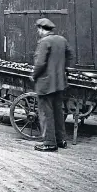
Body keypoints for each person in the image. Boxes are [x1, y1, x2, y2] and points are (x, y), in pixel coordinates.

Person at [31, 18, 73, 152]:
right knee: (58, 112)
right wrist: (61, 69)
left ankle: (49, 142)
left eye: (38, 29)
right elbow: (70, 56)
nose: (38, 32)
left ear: (42, 29)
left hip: (46, 83)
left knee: (46, 113)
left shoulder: (44, 42)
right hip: (60, 83)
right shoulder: (62, 40)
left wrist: (34, 76)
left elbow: (40, 63)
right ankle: (61, 140)